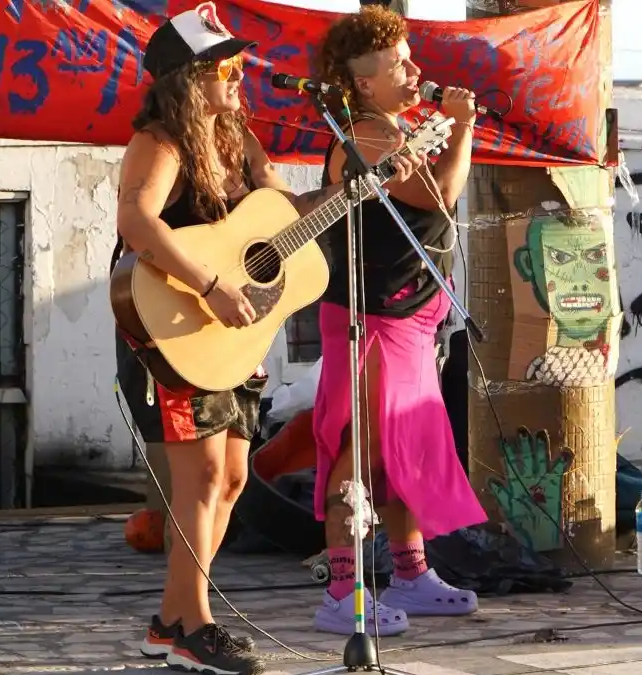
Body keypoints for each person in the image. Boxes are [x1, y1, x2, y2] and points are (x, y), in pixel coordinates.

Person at [112, 4, 416, 673]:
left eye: (240, 62)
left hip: (233, 336)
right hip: (174, 328)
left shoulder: (238, 141)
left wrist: (346, 193)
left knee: (236, 477)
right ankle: (197, 624)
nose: (240, 73)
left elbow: (284, 215)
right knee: (204, 478)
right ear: (187, 77)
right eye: (226, 65)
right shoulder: (160, 142)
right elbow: (137, 219)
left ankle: (170, 620)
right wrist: (210, 282)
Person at [308, 5, 485, 637]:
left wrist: (447, 125)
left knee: (404, 450)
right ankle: (340, 590)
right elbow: (441, 194)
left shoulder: (396, 127)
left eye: (410, 59)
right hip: (371, 316)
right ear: (362, 83)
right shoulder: (368, 134)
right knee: (362, 453)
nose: (414, 71)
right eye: (397, 65)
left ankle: (410, 572)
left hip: (410, 318)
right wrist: (460, 127)